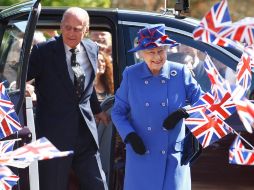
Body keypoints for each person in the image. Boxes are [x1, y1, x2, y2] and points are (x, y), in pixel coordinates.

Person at [111, 24, 203, 190]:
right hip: (141, 155)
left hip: (173, 158)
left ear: (167, 50)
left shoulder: (180, 72)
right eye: (151, 52)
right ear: (141, 54)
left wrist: (184, 112)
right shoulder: (131, 75)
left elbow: (203, 102)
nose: (157, 57)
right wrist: (130, 136)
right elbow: (118, 112)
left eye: (160, 51)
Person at [27, 7, 109, 190]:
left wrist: (98, 110)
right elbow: (22, 78)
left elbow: (88, 86)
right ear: (61, 26)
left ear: (86, 30)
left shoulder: (92, 48)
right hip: (54, 136)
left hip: (85, 134)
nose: (71, 33)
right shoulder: (43, 51)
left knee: (99, 185)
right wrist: (24, 86)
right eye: (67, 27)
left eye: (77, 29)